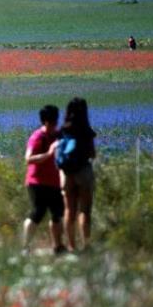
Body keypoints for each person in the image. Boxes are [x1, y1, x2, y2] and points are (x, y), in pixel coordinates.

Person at [22, 105, 66, 255]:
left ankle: (58, 246)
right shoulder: (37, 137)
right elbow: (28, 159)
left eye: (56, 121)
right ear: (45, 122)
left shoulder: (58, 135)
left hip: (54, 182)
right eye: (53, 121)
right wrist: (49, 153)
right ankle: (25, 247)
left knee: (57, 214)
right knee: (38, 212)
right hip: (37, 182)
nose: (55, 124)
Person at [57, 98, 97, 252]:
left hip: (66, 174)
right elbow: (92, 154)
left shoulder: (63, 130)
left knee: (69, 210)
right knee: (85, 211)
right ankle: (86, 244)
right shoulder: (86, 130)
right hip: (83, 173)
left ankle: (71, 246)